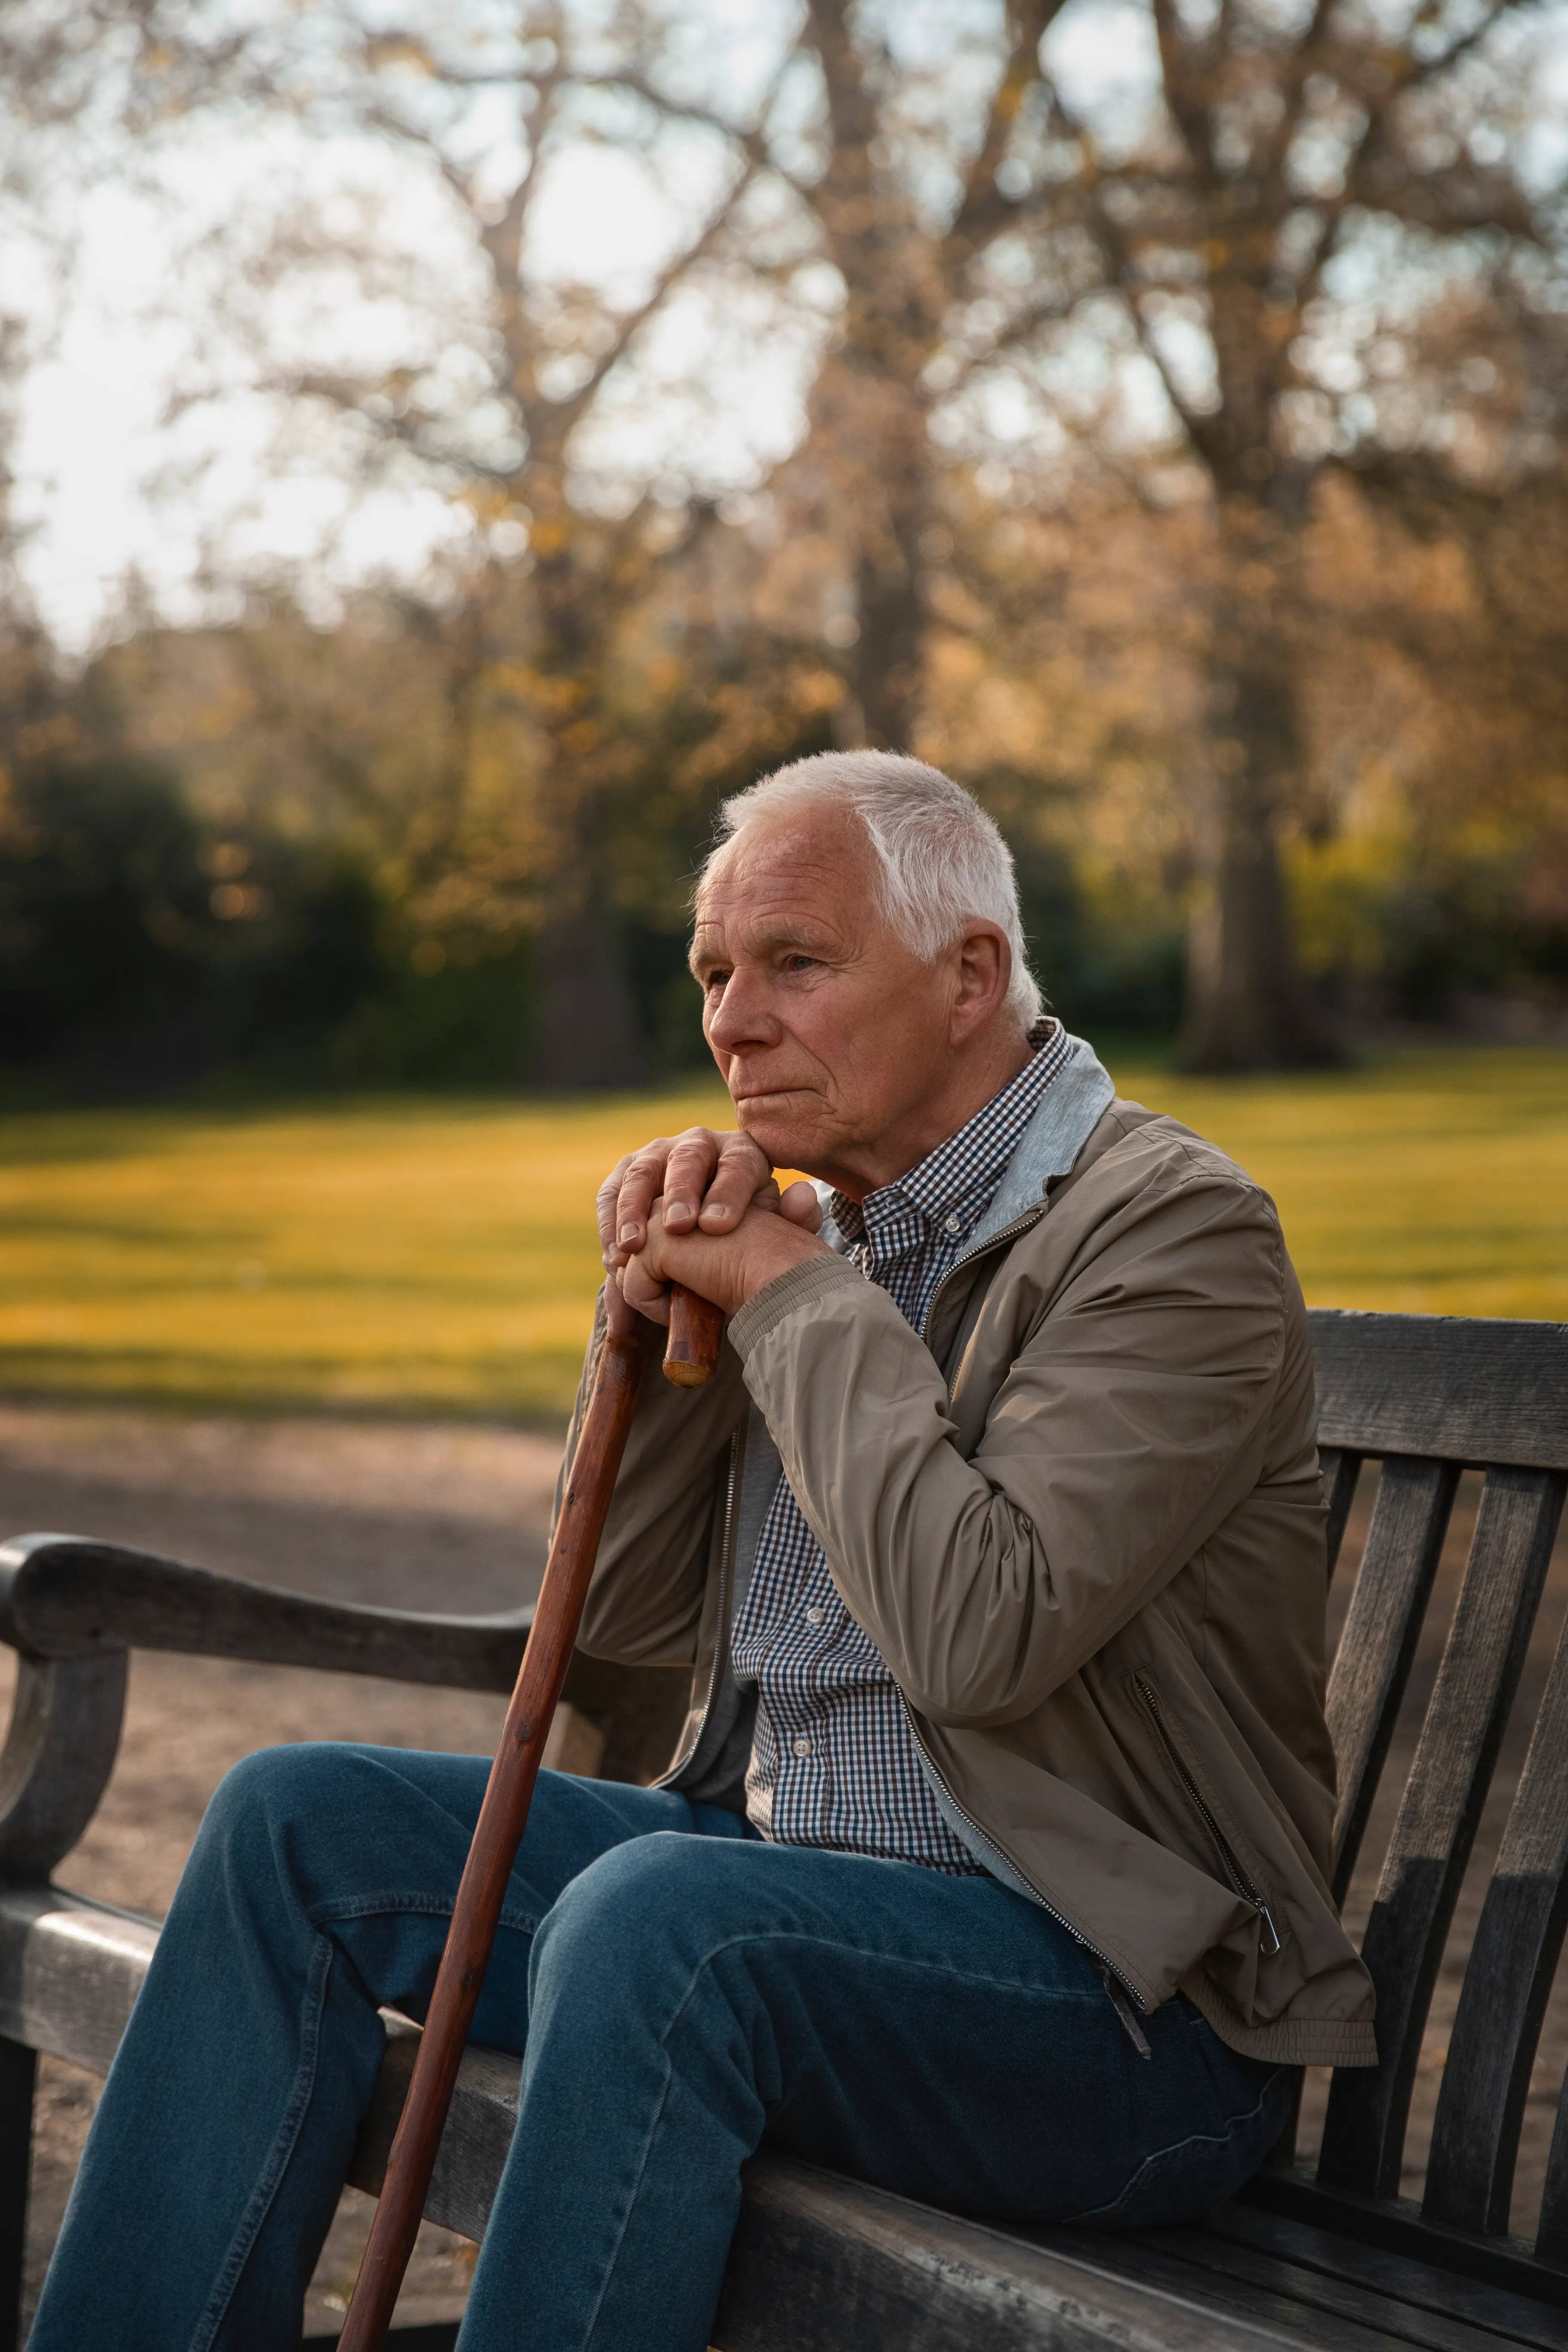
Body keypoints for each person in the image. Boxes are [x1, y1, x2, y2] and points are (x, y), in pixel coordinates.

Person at [31, 751, 1374, 2352]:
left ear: (972, 977)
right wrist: (659, 1328)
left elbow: (977, 1633)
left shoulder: (1171, 1233)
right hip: (770, 1902)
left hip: (1111, 2021)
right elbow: (621, 1625)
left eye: (796, 963)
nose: (734, 1021)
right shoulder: (836, 1218)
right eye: (718, 973)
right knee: (289, 1826)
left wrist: (795, 1303)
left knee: (664, 1919)